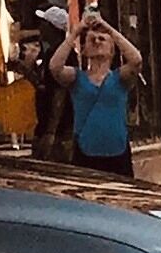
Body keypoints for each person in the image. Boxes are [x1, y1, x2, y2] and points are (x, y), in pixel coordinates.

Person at [51, 14, 143, 177]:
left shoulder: (119, 78)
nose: (97, 41)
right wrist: (75, 33)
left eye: (102, 39)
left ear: (112, 51)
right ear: (84, 50)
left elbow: (136, 60)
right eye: (92, 39)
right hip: (86, 151)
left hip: (118, 151)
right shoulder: (77, 78)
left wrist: (109, 29)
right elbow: (55, 67)